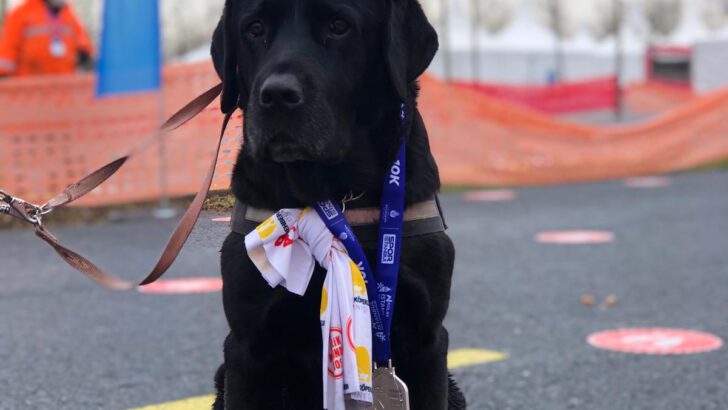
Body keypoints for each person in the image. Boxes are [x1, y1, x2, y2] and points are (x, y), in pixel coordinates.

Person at [0, 0, 93, 77]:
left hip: (64, 89)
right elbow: (7, 52)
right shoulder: (21, 14)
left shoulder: (69, 15)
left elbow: (83, 42)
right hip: (29, 90)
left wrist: (84, 53)